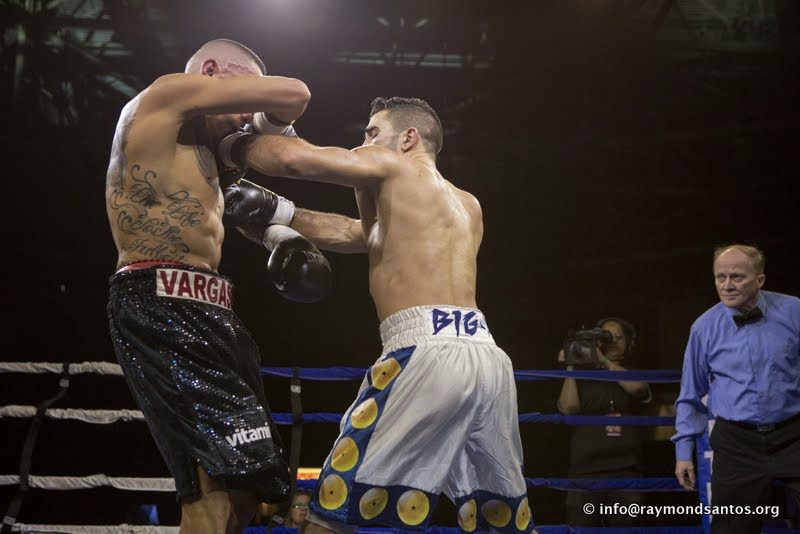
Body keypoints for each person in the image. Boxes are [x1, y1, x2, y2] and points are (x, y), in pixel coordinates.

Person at [217, 97, 535, 534]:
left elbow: (293, 160)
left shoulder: (394, 166)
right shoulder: (466, 204)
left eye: (372, 133)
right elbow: (360, 234)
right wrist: (277, 213)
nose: (363, 143)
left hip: (425, 353)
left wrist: (232, 145)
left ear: (408, 138)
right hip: (487, 360)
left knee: (332, 510)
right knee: (499, 519)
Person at [104, 38, 330, 533]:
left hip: (214, 309)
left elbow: (264, 214)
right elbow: (295, 93)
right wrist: (267, 120)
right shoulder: (168, 94)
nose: (245, 117)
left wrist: (284, 236)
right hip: (160, 300)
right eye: (243, 96)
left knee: (246, 494)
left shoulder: (208, 156)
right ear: (210, 71)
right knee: (212, 491)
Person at [673, 244, 800, 534]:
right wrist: (683, 450)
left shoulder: (794, 311)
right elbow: (690, 393)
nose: (727, 285)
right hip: (737, 444)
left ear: (760, 280)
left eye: (737, 277)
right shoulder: (704, 327)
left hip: (794, 435)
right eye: (721, 277)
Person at [556, 317, 651, 526]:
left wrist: (604, 361)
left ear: (628, 343)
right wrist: (570, 365)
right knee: (581, 529)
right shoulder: (582, 375)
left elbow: (639, 389)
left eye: (619, 337)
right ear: (597, 341)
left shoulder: (632, 372)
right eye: (607, 337)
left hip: (626, 468)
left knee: (626, 529)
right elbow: (569, 408)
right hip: (586, 469)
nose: (613, 341)